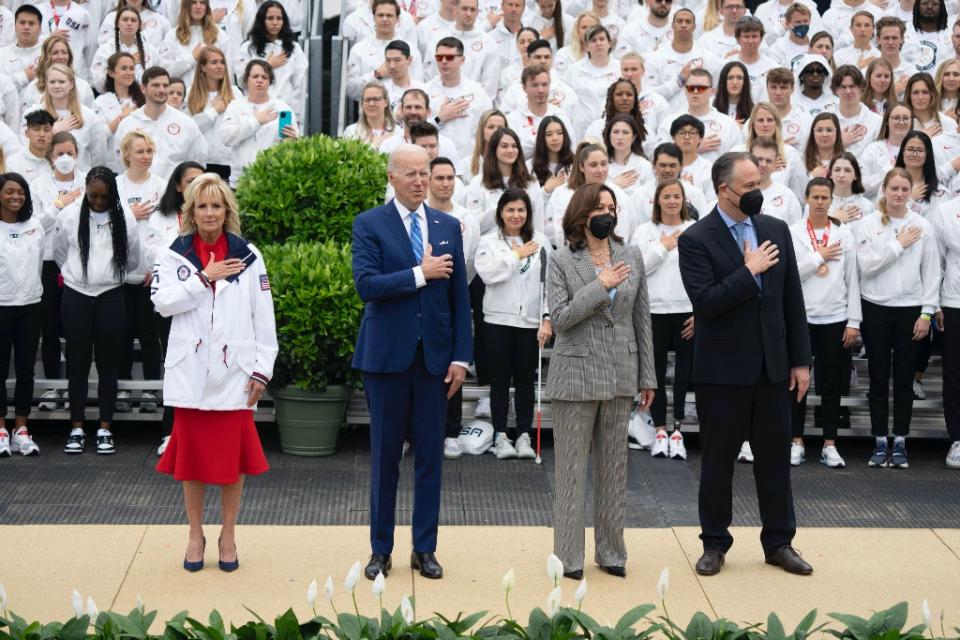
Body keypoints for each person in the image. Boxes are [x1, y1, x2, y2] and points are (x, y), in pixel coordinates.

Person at [677, 151, 813, 577]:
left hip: (772, 369)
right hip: (722, 372)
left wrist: (800, 361)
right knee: (718, 463)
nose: (758, 192)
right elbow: (706, 303)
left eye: (760, 183)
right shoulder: (696, 238)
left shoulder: (775, 229)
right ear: (724, 189)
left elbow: (792, 298)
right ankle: (714, 543)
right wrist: (748, 270)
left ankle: (779, 542)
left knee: (775, 461)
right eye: (750, 186)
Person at [351, 144, 472, 581]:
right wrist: (420, 273)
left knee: (430, 460)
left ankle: (425, 548)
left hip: (434, 362)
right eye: (412, 174)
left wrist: (461, 356)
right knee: (385, 458)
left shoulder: (447, 225)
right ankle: (380, 549)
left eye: (426, 172)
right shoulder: (370, 224)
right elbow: (366, 285)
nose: (421, 181)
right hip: (386, 360)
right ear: (392, 177)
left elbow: (460, 297)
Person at [153, 173, 276, 572]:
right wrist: (205, 278)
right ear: (190, 211)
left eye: (216, 206)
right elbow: (163, 304)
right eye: (201, 206)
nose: (209, 213)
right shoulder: (173, 253)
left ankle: (228, 534)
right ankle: (194, 533)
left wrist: (262, 371)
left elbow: (264, 320)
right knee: (191, 463)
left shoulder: (249, 255)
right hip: (190, 375)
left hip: (234, 377)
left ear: (227, 212)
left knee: (231, 463)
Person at [547, 181, 656, 579]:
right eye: (599, 207)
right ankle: (568, 558)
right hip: (574, 375)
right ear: (581, 215)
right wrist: (601, 285)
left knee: (614, 469)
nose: (607, 213)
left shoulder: (632, 254)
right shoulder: (560, 260)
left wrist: (648, 376)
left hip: (619, 373)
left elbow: (641, 318)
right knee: (571, 472)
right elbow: (560, 318)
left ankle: (612, 553)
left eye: (612, 206)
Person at [854, 168, 941, 469]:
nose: (899, 194)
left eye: (905, 189)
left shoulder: (922, 226)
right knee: (879, 378)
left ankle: (900, 441)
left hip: (911, 310)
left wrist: (927, 312)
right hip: (876, 308)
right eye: (894, 189)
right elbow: (866, 267)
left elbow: (931, 273)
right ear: (885, 190)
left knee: (903, 381)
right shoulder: (867, 224)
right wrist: (898, 244)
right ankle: (880, 441)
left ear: (910, 192)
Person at [55, 167, 142, 456]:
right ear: (86, 190)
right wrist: (78, 276)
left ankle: (105, 427)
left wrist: (106, 277)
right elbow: (59, 253)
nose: (99, 202)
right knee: (77, 364)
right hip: (77, 295)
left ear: (113, 193)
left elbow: (132, 259)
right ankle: (77, 428)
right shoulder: (68, 216)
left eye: (105, 197)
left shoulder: (125, 217)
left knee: (108, 364)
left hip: (110, 295)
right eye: (93, 196)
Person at [787, 177, 861, 469]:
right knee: (797, 382)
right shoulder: (793, 233)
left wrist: (853, 321)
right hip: (802, 318)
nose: (820, 202)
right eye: (815, 197)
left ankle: (830, 443)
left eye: (824, 197)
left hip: (835, 316)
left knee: (831, 384)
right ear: (806, 198)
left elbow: (853, 278)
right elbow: (791, 274)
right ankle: (797, 442)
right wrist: (819, 255)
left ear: (832, 201)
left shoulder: (844, 234)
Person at [474, 189, 552, 459]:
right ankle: (500, 434)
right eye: (510, 210)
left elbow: (548, 284)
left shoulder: (541, 241)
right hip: (497, 320)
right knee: (499, 380)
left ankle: (523, 434)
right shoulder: (488, 242)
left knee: (525, 381)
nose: (516, 215)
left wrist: (546, 318)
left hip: (530, 323)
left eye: (521, 210)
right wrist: (516, 255)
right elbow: (488, 274)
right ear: (501, 213)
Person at [630, 178, 694, 459]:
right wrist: (663, 247)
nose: (671, 201)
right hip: (652, 312)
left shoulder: (694, 230)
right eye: (666, 196)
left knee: (684, 373)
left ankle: (677, 431)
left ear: (684, 199)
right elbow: (636, 270)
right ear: (657, 200)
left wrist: (700, 312)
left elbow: (703, 274)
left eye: (676, 196)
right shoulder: (644, 231)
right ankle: (659, 430)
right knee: (652, 374)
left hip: (686, 312)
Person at [149, 161, 205, 457]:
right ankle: (170, 431)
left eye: (202, 179)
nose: (197, 184)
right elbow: (154, 252)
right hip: (173, 298)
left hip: (201, 301)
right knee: (174, 366)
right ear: (178, 186)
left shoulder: (208, 215)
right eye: (191, 180)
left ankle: (197, 432)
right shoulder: (162, 217)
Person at [32, 133, 86, 412]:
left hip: (79, 263)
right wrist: (57, 206)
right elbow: (34, 225)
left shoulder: (88, 182)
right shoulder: (38, 185)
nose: (65, 158)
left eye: (70, 153)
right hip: (48, 263)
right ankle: (54, 387)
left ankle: (77, 387)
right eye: (60, 153)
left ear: (77, 154)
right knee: (50, 328)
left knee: (76, 329)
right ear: (51, 156)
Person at [116, 131, 166, 414]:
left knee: (149, 335)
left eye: (149, 151)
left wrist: (155, 266)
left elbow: (165, 229)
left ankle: (149, 389)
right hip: (121, 274)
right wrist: (128, 214)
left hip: (150, 275)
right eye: (139, 151)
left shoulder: (160, 186)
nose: (145, 156)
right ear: (126, 155)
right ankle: (123, 388)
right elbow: (105, 224)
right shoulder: (115, 185)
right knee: (122, 334)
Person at [0, 172, 44, 457]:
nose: (16, 196)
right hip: (1, 305)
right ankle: (1, 430)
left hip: (30, 304)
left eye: (21, 192)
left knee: (26, 370)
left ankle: (22, 430)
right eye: (9, 191)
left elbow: (40, 261)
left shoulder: (35, 226)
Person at [114, 66, 208, 181]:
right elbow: (120, 163)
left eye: (165, 85)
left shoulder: (186, 123)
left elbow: (198, 162)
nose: (162, 90)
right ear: (143, 88)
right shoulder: (127, 124)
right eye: (156, 85)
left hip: (175, 194)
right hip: (139, 193)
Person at [235, 1, 308, 122]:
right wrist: (267, 65)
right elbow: (241, 80)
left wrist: (296, 116)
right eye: (270, 18)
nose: (275, 23)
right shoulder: (247, 48)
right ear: (261, 20)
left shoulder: (294, 49)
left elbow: (300, 85)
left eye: (279, 18)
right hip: (254, 112)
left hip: (284, 112)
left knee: (284, 141)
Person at [929, 190, 960, 468]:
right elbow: (936, 261)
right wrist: (936, 304)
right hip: (954, 302)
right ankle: (957, 439)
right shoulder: (946, 211)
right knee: (954, 373)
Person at [186, 46, 238, 181]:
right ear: (203, 67)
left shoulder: (235, 92)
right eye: (214, 62)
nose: (220, 66)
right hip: (200, 163)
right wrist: (213, 111)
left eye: (222, 62)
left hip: (228, 163)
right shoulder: (190, 93)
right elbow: (188, 128)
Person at [158, 0, 228, 89]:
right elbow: (164, 72)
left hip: (212, 96)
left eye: (202, 2)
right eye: (193, 2)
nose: (198, 6)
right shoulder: (172, 35)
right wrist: (191, 58)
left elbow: (226, 72)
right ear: (186, 5)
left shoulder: (220, 35)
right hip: (181, 97)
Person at [89, 7, 160, 92]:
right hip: (112, 99)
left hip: (143, 100)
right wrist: (127, 63)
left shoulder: (151, 51)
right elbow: (98, 83)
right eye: (125, 20)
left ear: (139, 25)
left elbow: (158, 79)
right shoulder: (105, 50)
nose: (129, 23)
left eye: (133, 20)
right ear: (117, 24)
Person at [95, 52, 147, 136]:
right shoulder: (100, 102)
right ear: (111, 73)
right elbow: (99, 136)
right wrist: (121, 118)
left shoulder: (144, 99)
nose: (129, 73)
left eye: (132, 68)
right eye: (124, 68)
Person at [343, 81, 398, 150]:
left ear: (386, 102)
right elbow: (350, 160)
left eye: (376, 99)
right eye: (367, 100)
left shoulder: (397, 131)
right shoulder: (351, 131)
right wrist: (374, 146)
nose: (371, 104)